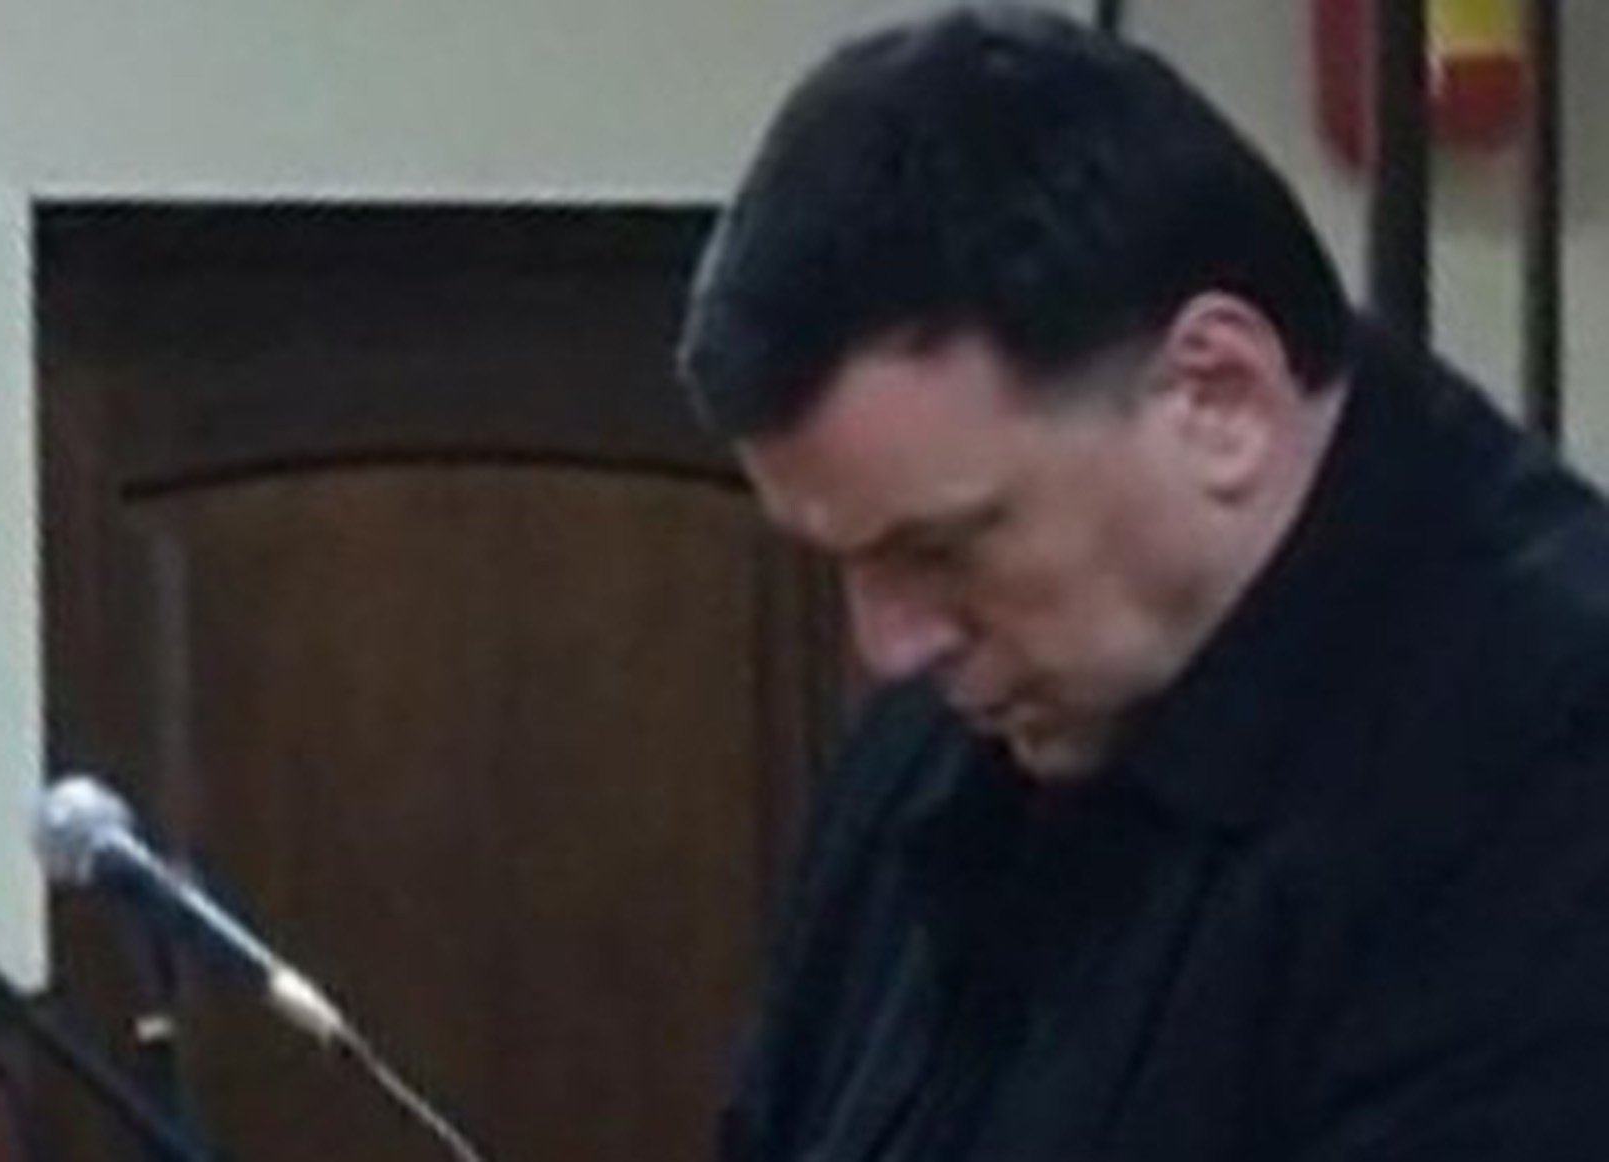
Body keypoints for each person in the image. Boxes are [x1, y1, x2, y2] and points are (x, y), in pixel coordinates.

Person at [677, 7, 1609, 1161]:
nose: (891, 644)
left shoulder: (1552, 768)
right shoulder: (965, 713)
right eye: (847, 561)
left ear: (1216, 398)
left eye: (943, 546)